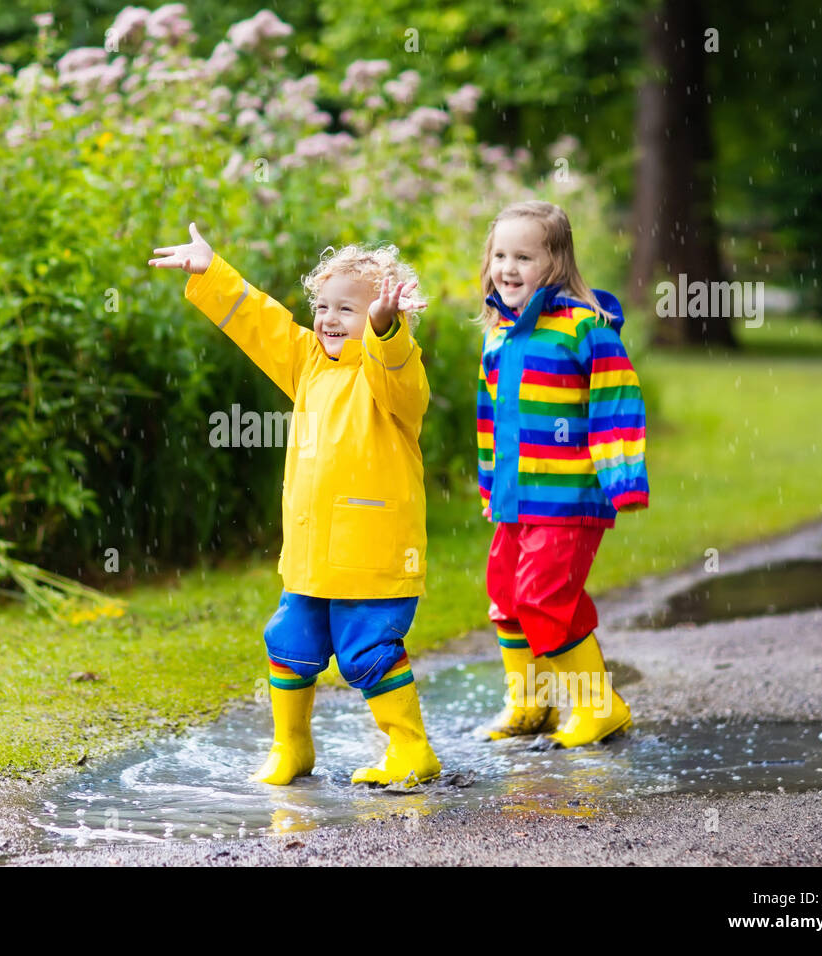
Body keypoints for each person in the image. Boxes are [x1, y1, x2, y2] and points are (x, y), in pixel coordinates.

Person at [148, 223, 441, 787]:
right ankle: (292, 746)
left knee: (369, 651)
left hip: (374, 559)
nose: (329, 319)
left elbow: (399, 369)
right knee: (290, 642)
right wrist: (213, 272)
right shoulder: (308, 362)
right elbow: (262, 324)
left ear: (381, 317)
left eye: (348, 310)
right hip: (309, 556)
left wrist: (386, 330)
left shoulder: (392, 379)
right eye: (323, 306)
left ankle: (411, 749)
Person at [475, 200, 649, 748]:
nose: (508, 267)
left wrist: (623, 481)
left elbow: (617, 403)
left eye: (523, 256)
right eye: (500, 254)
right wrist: (490, 486)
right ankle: (531, 705)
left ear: (555, 263)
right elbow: (490, 421)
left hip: (569, 498)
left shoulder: (585, 330)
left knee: (544, 598)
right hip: (515, 496)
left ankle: (600, 708)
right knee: (505, 595)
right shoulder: (498, 335)